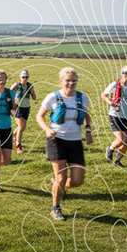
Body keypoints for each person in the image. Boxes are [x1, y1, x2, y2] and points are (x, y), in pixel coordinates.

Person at [36, 67, 93, 221]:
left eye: (74, 80)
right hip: (56, 140)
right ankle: (56, 208)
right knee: (61, 177)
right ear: (61, 81)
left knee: (77, 180)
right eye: (68, 80)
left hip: (75, 141)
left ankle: (57, 185)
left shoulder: (82, 97)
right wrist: (47, 129)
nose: (71, 83)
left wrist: (88, 130)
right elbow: (39, 116)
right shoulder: (52, 97)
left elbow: (86, 114)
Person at [100, 65, 127, 167]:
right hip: (116, 115)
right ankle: (110, 149)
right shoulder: (115, 84)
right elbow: (103, 95)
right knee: (121, 139)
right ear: (122, 74)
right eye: (126, 73)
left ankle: (117, 161)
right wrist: (111, 103)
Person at [11, 70, 37, 153]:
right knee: (21, 127)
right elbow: (9, 93)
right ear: (20, 77)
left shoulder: (30, 86)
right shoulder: (17, 85)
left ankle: (11, 137)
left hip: (26, 108)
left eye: (26, 77)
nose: (25, 79)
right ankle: (18, 146)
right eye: (23, 77)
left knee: (22, 127)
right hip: (17, 108)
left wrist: (33, 93)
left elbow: (34, 97)